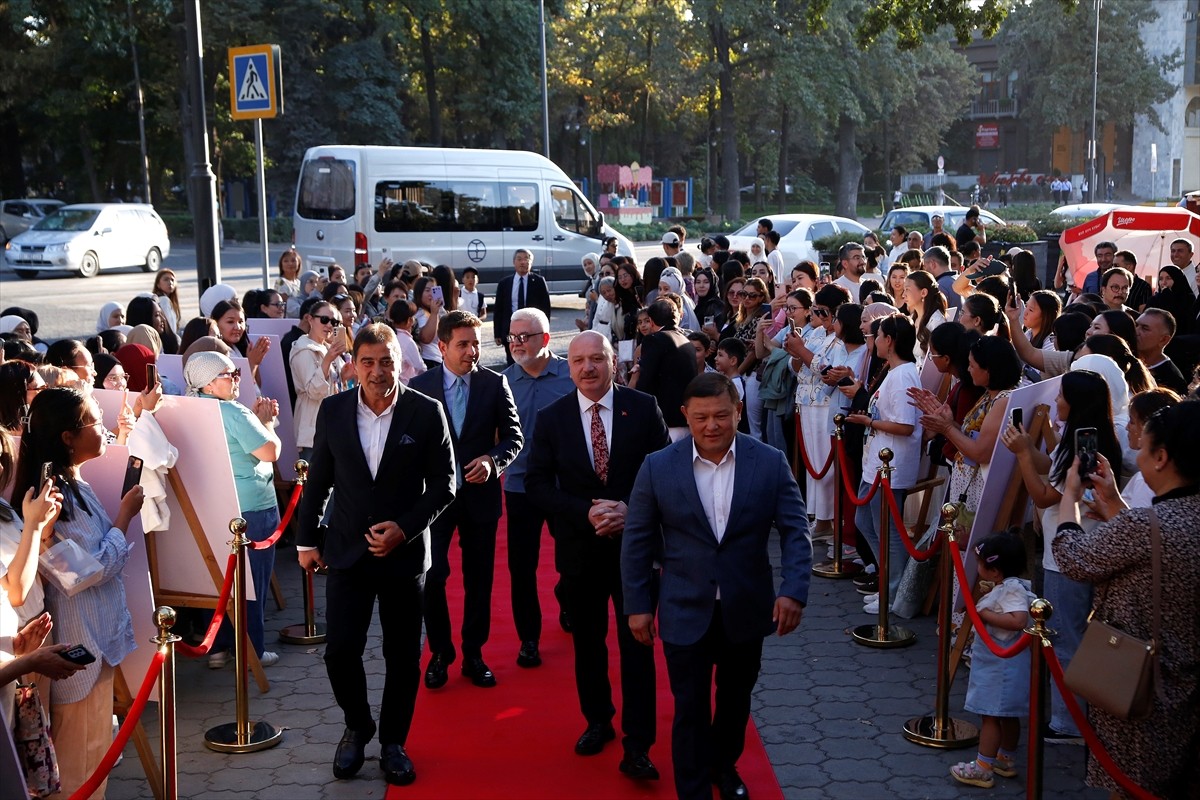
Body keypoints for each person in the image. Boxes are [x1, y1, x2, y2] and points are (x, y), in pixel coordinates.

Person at [622, 372, 811, 800]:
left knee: (734, 701)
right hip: (683, 608)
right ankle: (693, 791)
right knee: (689, 707)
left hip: (746, 607)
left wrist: (794, 590)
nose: (712, 426)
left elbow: (795, 530)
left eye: (722, 416)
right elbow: (636, 540)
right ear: (685, 416)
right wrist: (637, 603)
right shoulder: (658, 466)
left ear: (738, 412)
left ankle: (723, 766)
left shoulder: (768, 461)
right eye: (702, 417)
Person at [296, 323, 455, 787]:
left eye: (386, 361)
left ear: (398, 361)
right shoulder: (334, 410)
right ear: (354, 364)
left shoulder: (427, 412)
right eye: (368, 362)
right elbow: (318, 481)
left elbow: (446, 485)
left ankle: (392, 742)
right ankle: (357, 725)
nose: (378, 371)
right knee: (340, 652)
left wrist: (404, 529)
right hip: (346, 553)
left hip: (404, 558)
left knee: (403, 657)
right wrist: (306, 542)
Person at [525, 331, 669, 780]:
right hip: (580, 552)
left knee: (637, 647)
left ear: (614, 363)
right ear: (567, 367)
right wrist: (585, 512)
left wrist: (631, 509)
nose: (587, 368)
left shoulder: (643, 408)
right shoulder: (552, 419)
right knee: (587, 646)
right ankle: (598, 721)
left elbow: (664, 472)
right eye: (578, 361)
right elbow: (537, 484)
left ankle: (638, 744)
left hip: (636, 549)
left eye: (596, 359)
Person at [1053, 400, 1200, 798]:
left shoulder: (1145, 523)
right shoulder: (1174, 517)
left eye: (1144, 448)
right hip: (1188, 682)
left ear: (1162, 457)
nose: (1137, 455)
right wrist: (1116, 502)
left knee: (1132, 785)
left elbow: (1073, 557)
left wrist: (1070, 497)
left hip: (1140, 683)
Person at [13, 388, 143, 798]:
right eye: (93, 422)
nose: (103, 429)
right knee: (78, 764)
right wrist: (124, 515)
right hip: (77, 645)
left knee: (94, 758)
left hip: (94, 640)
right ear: (68, 437)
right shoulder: (52, 497)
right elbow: (84, 572)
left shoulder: (72, 484)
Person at [1000, 369, 1123, 742]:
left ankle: (1071, 724)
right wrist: (1037, 446)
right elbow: (1052, 472)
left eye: (1062, 396)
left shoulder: (1087, 449)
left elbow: (1043, 495)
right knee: (1070, 635)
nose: (1056, 402)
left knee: (1066, 639)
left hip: (1069, 555)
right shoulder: (1082, 440)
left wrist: (1022, 454)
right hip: (1078, 551)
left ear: (1077, 402)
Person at [409, 311, 522, 689]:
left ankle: (474, 653)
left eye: (476, 343)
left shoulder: (494, 384)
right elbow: (406, 442)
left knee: (479, 580)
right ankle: (441, 652)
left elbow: (513, 437)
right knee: (434, 575)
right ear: (442, 347)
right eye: (463, 344)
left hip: (480, 497)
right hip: (434, 500)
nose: (472, 351)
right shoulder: (420, 386)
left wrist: (494, 461)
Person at [184, 352, 283, 669]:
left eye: (236, 371)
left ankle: (218, 648)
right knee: (252, 581)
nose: (237, 377)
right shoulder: (234, 412)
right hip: (250, 506)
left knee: (215, 580)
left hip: (209, 506)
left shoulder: (188, 409)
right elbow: (270, 452)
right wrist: (266, 423)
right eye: (230, 373)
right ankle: (253, 648)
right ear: (210, 384)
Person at [501, 308, 576, 654]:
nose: (516, 343)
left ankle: (568, 596)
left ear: (545, 339)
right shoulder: (502, 381)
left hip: (565, 486)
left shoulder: (570, 375)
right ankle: (528, 638)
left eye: (524, 337)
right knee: (522, 566)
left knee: (572, 559)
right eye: (512, 337)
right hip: (519, 486)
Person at [845, 313, 922, 612]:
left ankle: (895, 591)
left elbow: (905, 426)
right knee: (865, 521)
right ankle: (889, 581)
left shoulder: (903, 374)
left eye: (877, 336)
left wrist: (869, 422)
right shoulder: (895, 371)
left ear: (889, 341)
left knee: (888, 530)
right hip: (876, 462)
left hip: (889, 465)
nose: (873, 341)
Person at [949, 533, 1034, 789]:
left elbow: (1018, 620)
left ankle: (983, 766)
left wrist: (983, 614)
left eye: (980, 562)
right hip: (1003, 662)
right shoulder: (1011, 586)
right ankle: (1005, 758)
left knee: (991, 716)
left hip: (1001, 665)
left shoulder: (1012, 590)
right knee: (1007, 715)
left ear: (994, 570)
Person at [290, 301, 354, 459]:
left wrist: (344, 377)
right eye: (324, 320)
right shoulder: (303, 349)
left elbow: (335, 388)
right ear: (310, 320)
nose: (329, 326)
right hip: (313, 432)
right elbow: (313, 391)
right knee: (314, 480)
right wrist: (327, 360)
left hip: (333, 428)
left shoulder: (328, 348)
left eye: (334, 322)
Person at [628, 299, 698, 440]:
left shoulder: (654, 340)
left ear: (652, 321)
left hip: (666, 421)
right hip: (686, 418)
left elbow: (646, 381)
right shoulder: (686, 340)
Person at [493, 249, 552, 365]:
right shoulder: (505, 283)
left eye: (526, 259)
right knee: (512, 361)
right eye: (519, 259)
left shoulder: (538, 281)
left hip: (531, 331)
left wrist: (544, 330)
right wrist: (497, 333)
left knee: (532, 361)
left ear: (531, 262)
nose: (523, 262)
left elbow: (546, 308)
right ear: (514, 262)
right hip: (510, 330)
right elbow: (498, 309)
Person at [1135, 309, 1188, 394]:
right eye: (1136, 325)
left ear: (1163, 340)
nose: (1136, 331)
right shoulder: (1124, 361)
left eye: (1145, 328)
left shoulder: (1172, 381)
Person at [152, 269, 183, 334]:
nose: (170, 282)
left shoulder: (167, 300)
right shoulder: (164, 300)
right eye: (166, 279)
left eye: (172, 280)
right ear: (158, 284)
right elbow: (170, 326)